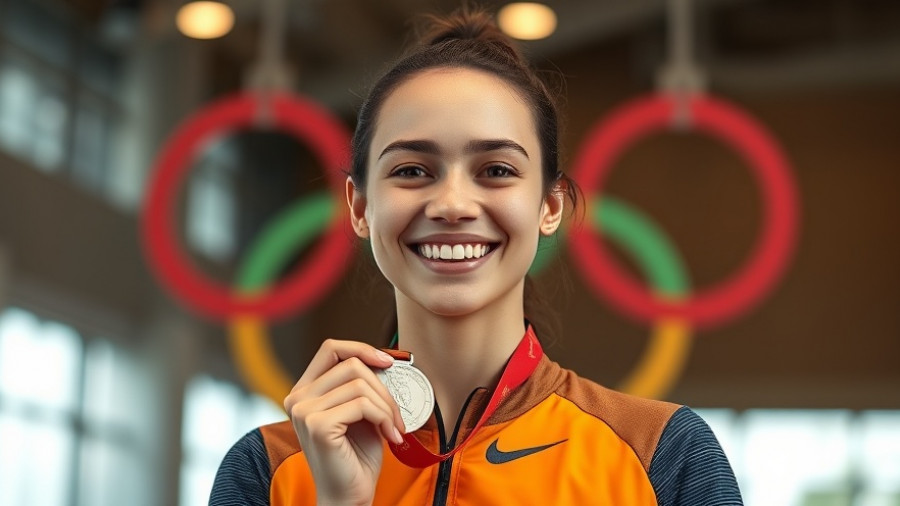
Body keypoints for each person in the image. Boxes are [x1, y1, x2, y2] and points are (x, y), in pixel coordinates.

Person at [210, 6, 742, 506]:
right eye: (412, 170)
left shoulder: (662, 455)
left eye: (496, 170)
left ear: (549, 206)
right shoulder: (269, 469)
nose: (452, 205)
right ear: (360, 206)